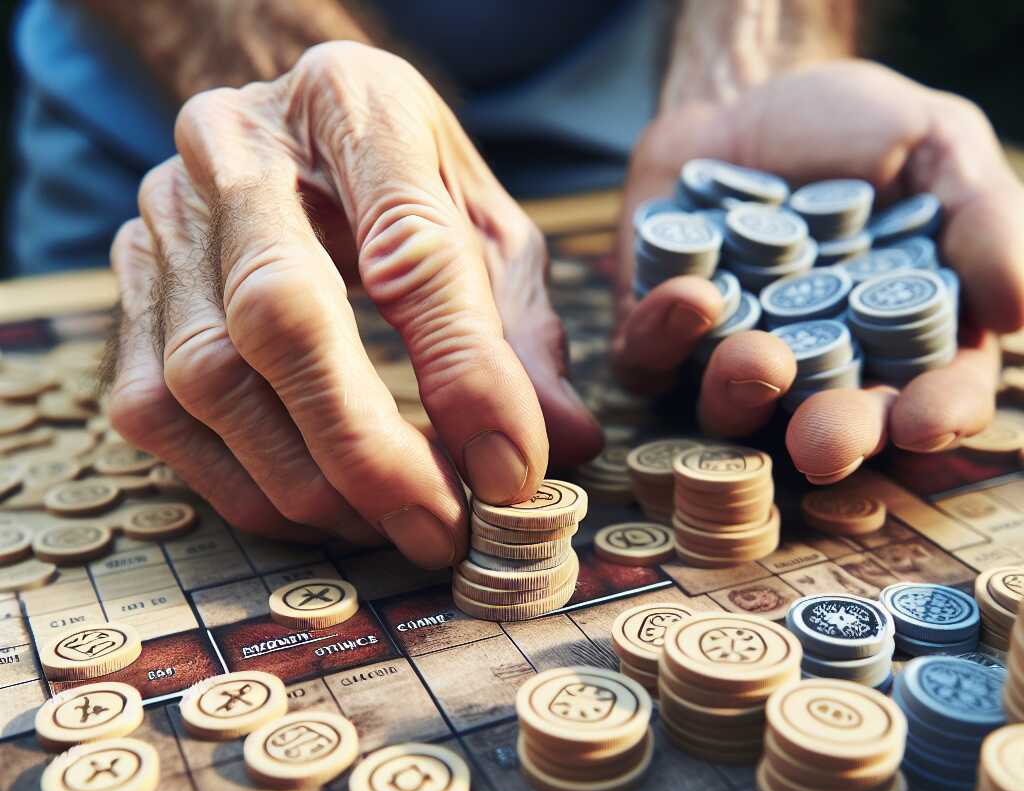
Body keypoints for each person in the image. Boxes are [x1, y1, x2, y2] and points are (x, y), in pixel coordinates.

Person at [10, 1, 1024, 569]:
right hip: (176, 128)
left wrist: (748, 75)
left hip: (625, 150)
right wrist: (299, 96)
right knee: (217, 384)